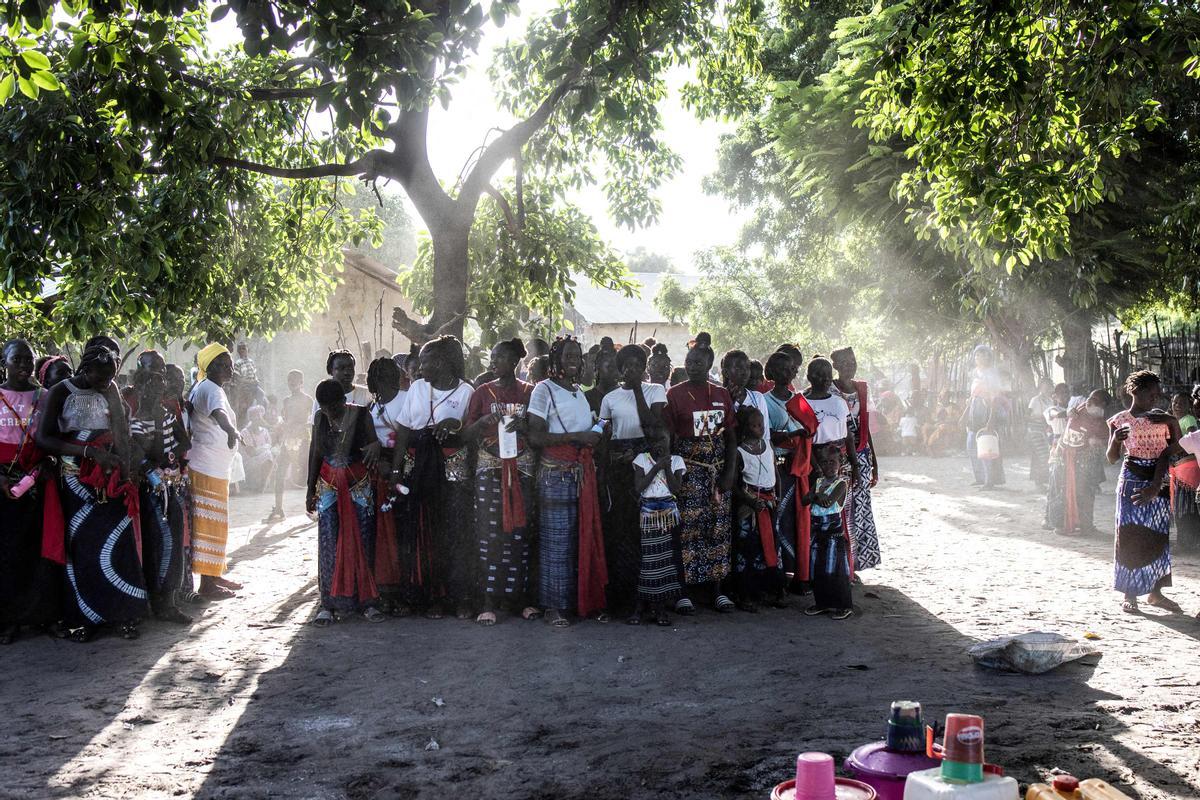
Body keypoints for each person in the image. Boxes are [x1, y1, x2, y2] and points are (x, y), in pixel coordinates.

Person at [36, 344, 147, 642]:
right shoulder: (61, 391)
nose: (106, 382)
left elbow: (122, 432)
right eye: (101, 376)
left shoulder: (110, 388)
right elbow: (44, 437)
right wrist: (87, 452)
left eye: (111, 376)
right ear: (86, 369)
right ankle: (82, 618)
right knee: (82, 546)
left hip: (110, 476)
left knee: (118, 542)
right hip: (75, 479)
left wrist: (126, 470)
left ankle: (124, 615)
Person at [390, 336, 475, 619]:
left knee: (454, 532)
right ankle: (431, 597)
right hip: (419, 469)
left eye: (424, 360)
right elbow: (403, 431)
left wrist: (455, 423)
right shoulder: (416, 388)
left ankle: (459, 597)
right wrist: (395, 470)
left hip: (451, 470)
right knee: (424, 532)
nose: (418, 366)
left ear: (440, 362)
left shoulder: (466, 392)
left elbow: (471, 434)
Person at [526, 336, 606, 628]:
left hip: (580, 472)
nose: (574, 359)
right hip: (555, 473)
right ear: (556, 359)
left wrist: (595, 431)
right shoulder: (543, 390)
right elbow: (535, 436)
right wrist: (577, 437)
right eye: (568, 355)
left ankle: (577, 602)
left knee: (579, 538)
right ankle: (553, 607)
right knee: (555, 541)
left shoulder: (578, 392)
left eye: (578, 355)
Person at [463, 338, 537, 626]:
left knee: (520, 531)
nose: (494, 363)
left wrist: (526, 426)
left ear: (515, 361)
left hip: (522, 470)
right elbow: (466, 433)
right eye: (492, 358)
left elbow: (540, 430)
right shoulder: (482, 393)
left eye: (500, 357)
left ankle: (519, 599)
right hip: (490, 468)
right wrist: (482, 423)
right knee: (489, 533)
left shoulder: (529, 392)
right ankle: (488, 601)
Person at [664, 332, 737, 614]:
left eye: (698, 361)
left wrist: (729, 472)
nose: (692, 365)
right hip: (688, 473)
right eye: (689, 360)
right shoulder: (675, 394)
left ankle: (717, 590)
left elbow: (730, 436)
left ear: (709, 364)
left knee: (717, 530)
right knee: (686, 532)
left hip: (717, 474)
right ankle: (683, 591)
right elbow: (668, 440)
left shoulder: (721, 394)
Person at [306, 379, 384, 626]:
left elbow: (373, 446)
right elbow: (316, 452)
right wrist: (309, 489)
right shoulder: (320, 418)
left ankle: (367, 602)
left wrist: (375, 447)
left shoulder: (361, 415)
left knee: (363, 540)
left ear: (343, 401)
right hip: (328, 485)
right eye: (325, 408)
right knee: (329, 541)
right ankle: (327, 603)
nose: (330, 413)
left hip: (358, 484)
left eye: (334, 408)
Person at [599, 344, 668, 621]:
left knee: (650, 534)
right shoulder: (610, 398)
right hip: (620, 470)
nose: (631, 370)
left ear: (644, 367)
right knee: (624, 533)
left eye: (637, 365)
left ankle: (654, 600)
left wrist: (638, 390)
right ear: (620, 369)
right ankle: (628, 600)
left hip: (648, 465)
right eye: (626, 366)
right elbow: (605, 434)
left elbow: (653, 427)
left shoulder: (655, 391)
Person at [1, 340, 62, 644]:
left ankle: (42, 616)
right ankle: (9, 620)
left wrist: (46, 466)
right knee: (8, 553)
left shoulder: (46, 396)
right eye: (17, 360)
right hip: (4, 483)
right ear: (5, 362)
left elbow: (54, 437)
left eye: (29, 360)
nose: (24, 365)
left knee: (42, 551)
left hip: (39, 480)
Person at [1106, 370, 1181, 615]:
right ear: (1135, 391)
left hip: (1159, 481)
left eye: (1158, 394)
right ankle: (1130, 594)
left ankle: (1155, 593)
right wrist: (1115, 440)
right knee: (1130, 535)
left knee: (1158, 536)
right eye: (1152, 392)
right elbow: (1111, 458)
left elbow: (1176, 450)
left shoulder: (1162, 419)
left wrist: (1172, 421)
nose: (1156, 398)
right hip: (1132, 480)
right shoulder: (1119, 420)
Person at [128, 351, 192, 625]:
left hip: (171, 485)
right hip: (149, 488)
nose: (156, 387)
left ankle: (168, 599)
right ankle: (157, 601)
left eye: (159, 382)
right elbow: (132, 449)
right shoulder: (135, 414)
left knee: (173, 540)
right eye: (149, 383)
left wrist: (169, 456)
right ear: (140, 385)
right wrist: (150, 462)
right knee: (159, 542)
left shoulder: (166, 412)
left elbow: (184, 442)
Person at [187, 344, 244, 600]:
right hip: (208, 467)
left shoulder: (206, 388)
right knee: (210, 525)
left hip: (212, 466)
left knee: (215, 524)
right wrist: (231, 430)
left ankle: (214, 574)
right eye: (224, 363)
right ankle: (207, 585)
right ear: (210, 367)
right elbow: (219, 414)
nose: (230, 368)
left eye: (230, 362)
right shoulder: (211, 389)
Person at [831, 346, 880, 574]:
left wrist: (874, 462)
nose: (850, 365)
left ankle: (856, 562)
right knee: (841, 507)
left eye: (853, 361)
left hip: (861, 455)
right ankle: (842, 562)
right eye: (845, 362)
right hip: (837, 457)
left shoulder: (861, 388)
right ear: (836, 366)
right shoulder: (829, 389)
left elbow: (864, 426)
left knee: (859, 510)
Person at [365, 357, 406, 614]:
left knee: (398, 530)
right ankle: (383, 586)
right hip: (376, 472)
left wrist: (393, 467)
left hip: (398, 469)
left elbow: (406, 437)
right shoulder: (372, 405)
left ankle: (400, 588)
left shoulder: (405, 399)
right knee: (381, 532)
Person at [731, 405, 782, 611]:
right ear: (745, 427)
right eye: (753, 425)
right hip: (749, 505)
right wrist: (751, 501)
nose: (759, 428)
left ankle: (769, 590)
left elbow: (776, 474)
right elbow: (734, 485)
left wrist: (777, 496)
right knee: (747, 547)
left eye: (761, 424)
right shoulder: (740, 451)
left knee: (770, 547)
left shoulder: (768, 445)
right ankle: (745, 594)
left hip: (769, 503)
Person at [631, 434, 685, 626]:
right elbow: (639, 487)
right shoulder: (641, 460)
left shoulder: (677, 461)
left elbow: (676, 488)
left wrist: (666, 465)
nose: (659, 445)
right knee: (647, 562)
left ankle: (659, 608)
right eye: (655, 441)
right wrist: (656, 467)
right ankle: (641, 606)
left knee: (664, 562)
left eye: (663, 442)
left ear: (671, 443)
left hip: (668, 515)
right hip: (649, 515)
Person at [1045, 390, 1109, 536]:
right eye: (1090, 398)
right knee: (1059, 489)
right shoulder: (1078, 408)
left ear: (1103, 405)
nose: (1090, 401)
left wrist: (1099, 442)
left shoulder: (1101, 423)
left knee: (1084, 492)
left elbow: (1112, 439)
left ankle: (1086, 526)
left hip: (1083, 461)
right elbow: (1053, 413)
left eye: (1095, 400)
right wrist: (1067, 412)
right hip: (1062, 457)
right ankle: (1058, 524)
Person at [802, 444, 853, 620]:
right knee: (818, 569)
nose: (829, 466)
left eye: (833, 462)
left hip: (833, 534)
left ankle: (843, 605)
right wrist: (815, 496)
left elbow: (827, 503)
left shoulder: (841, 484)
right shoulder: (817, 482)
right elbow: (804, 500)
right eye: (824, 462)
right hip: (817, 532)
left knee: (836, 570)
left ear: (841, 463)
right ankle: (822, 603)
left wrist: (814, 497)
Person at [268, 370, 314, 521]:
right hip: (288, 440)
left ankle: (312, 506)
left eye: (295, 380)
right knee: (279, 473)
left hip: (303, 440)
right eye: (289, 380)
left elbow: (312, 420)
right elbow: (285, 419)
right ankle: (278, 508)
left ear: (301, 382)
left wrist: (301, 426)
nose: (292, 383)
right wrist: (282, 428)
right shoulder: (286, 401)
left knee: (310, 474)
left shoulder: (308, 400)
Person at [962, 344, 1004, 489]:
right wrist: (964, 415)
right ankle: (979, 477)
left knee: (986, 446)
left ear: (988, 356)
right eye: (977, 354)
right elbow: (972, 396)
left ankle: (989, 481)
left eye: (983, 354)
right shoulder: (975, 373)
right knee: (971, 446)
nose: (979, 357)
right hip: (975, 410)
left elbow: (994, 398)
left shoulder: (992, 374)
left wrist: (991, 419)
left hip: (986, 411)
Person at [311, 350, 371, 422]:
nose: (347, 372)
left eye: (350, 367)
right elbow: (316, 429)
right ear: (330, 371)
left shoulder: (366, 394)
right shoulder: (323, 396)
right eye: (341, 368)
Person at [238, 405, 275, 494]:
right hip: (249, 462)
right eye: (256, 416)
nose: (259, 418)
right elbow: (251, 452)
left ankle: (267, 484)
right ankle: (262, 486)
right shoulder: (244, 432)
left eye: (260, 415)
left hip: (262, 458)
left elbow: (270, 445)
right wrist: (265, 448)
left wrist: (267, 449)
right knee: (268, 455)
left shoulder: (264, 431)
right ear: (250, 417)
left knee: (273, 454)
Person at [1027, 378, 1056, 486]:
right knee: (1040, 455)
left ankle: (1044, 480)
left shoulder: (1050, 401)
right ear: (1040, 387)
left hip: (1047, 430)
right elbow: (1028, 416)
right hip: (1035, 430)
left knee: (1047, 456)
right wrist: (1040, 419)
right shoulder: (1035, 400)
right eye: (1045, 386)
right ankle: (1038, 483)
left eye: (1049, 386)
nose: (1047, 388)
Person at [585, 344, 618, 417]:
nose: (612, 370)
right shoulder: (587, 398)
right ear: (597, 366)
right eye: (609, 366)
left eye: (615, 366)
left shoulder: (625, 395)